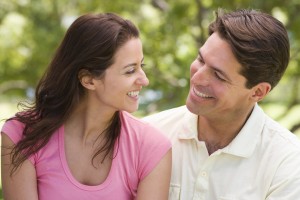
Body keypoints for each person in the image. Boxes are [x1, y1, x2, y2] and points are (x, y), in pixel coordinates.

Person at [1, 13, 172, 200]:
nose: (144, 80)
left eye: (142, 66)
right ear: (89, 79)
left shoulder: (152, 148)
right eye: (130, 70)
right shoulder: (22, 135)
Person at [143, 8, 300, 199]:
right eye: (201, 60)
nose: (197, 78)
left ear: (258, 92)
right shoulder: (148, 134)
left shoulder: (288, 163)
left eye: (218, 75)